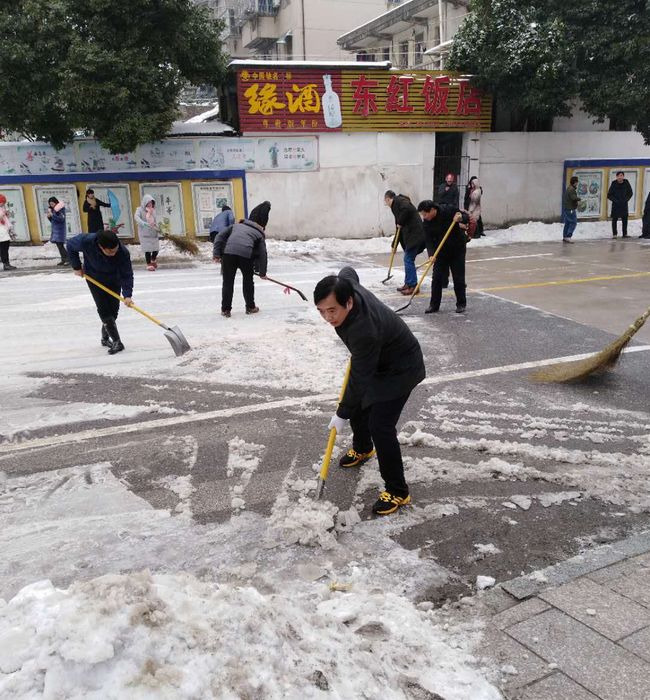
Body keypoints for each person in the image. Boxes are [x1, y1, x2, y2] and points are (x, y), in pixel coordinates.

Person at [314, 267, 425, 515]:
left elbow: (360, 377)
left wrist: (342, 413)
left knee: (380, 425)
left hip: (401, 367)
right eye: (322, 311)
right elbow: (349, 271)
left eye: (333, 310)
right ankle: (363, 448)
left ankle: (398, 491)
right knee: (360, 403)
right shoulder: (346, 286)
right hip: (377, 358)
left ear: (349, 302)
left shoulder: (362, 330)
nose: (328, 317)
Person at [66, 229, 134, 355]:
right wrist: (76, 266)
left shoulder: (122, 252)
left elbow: (127, 274)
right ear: (100, 246)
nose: (113, 253)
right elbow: (70, 245)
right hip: (94, 278)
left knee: (113, 311)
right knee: (103, 309)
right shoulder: (86, 241)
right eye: (109, 251)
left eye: (115, 250)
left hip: (114, 279)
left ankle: (105, 338)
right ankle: (117, 341)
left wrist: (127, 295)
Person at [213, 203, 269, 317]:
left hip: (228, 254)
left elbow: (219, 237)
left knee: (228, 282)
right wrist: (262, 272)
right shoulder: (259, 233)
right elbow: (262, 253)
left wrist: (217, 254)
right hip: (245, 255)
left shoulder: (236, 226)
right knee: (248, 282)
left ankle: (225, 310)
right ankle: (250, 307)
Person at [417, 200, 466, 314]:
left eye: (425, 214)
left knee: (458, 277)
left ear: (432, 210)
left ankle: (461, 304)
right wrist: (431, 254)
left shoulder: (448, 210)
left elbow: (465, 216)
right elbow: (428, 240)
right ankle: (434, 305)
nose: (424, 217)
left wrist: (460, 218)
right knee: (437, 278)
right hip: (440, 252)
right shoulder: (427, 222)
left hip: (456, 249)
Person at [384, 190, 425, 295]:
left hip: (415, 235)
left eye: (385, 202)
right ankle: (408, 283)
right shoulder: (397, 206)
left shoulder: (399, 201)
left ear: (388, 199)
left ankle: (413, 286)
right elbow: (398, 228)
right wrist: (394, 244)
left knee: (408, 259)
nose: (386, 204)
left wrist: (400, 221)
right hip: (412, 236)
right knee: (408, 259)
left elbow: (407, 209)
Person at [134, 194, 160, 271]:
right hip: (144, 233)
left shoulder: (153, 211)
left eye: (151, 203)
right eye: (148, 203)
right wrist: (143, 223)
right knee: (147, 250)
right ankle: (149, 264)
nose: (150, 204)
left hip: (153, 232)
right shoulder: (139, 210)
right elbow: (136, 217)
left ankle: (153, 259)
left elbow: (156, 220)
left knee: (156, 249)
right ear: (145, 202)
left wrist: (159, 227)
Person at [607, 171, 633, 238]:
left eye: (622, 175)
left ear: (623, 176)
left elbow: (630, 193)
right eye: (619, 176)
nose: (620, 177)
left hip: (624, 204)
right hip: (616, 205)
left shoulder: (626, 183)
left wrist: (626, 199)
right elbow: (609, 195)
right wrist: (616, 201)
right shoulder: (614, 183)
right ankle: (614, 234)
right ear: (617, 177)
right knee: (614, 219)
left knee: (625, 219)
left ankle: (625, 234)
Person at [46, 197, 69, 266]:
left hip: (60, 230)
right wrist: (49, 217)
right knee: (59, 246)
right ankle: (64, 259)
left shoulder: (60, 209)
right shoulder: (53, 210)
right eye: (50, 204)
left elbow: (61, 219)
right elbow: (53, 221)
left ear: (56, 203)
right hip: (55, 230)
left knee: (60, 246)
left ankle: (68, 259)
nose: (51, 205)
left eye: (52, 203)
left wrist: (53, 215)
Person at [562, 176, 581, 244]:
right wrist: (579, 198)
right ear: (575, 182)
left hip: (567, 208)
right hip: (570, 209)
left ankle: (565, 237)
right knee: (573, 222)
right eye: (577, 182)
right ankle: (568, 236)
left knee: (567, 223)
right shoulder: (572, 189)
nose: (577, 183)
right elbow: (573, 198)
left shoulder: (569, 188)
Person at [0, 194, 16, 271]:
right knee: (3, 249)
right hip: (1, 234)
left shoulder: (2, 209)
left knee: (4, 249)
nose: (4, 203)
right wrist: (3, 213)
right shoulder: (1, 210)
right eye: (3, 202)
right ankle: (6, 264)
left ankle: (6, 263)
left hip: (4, 232)